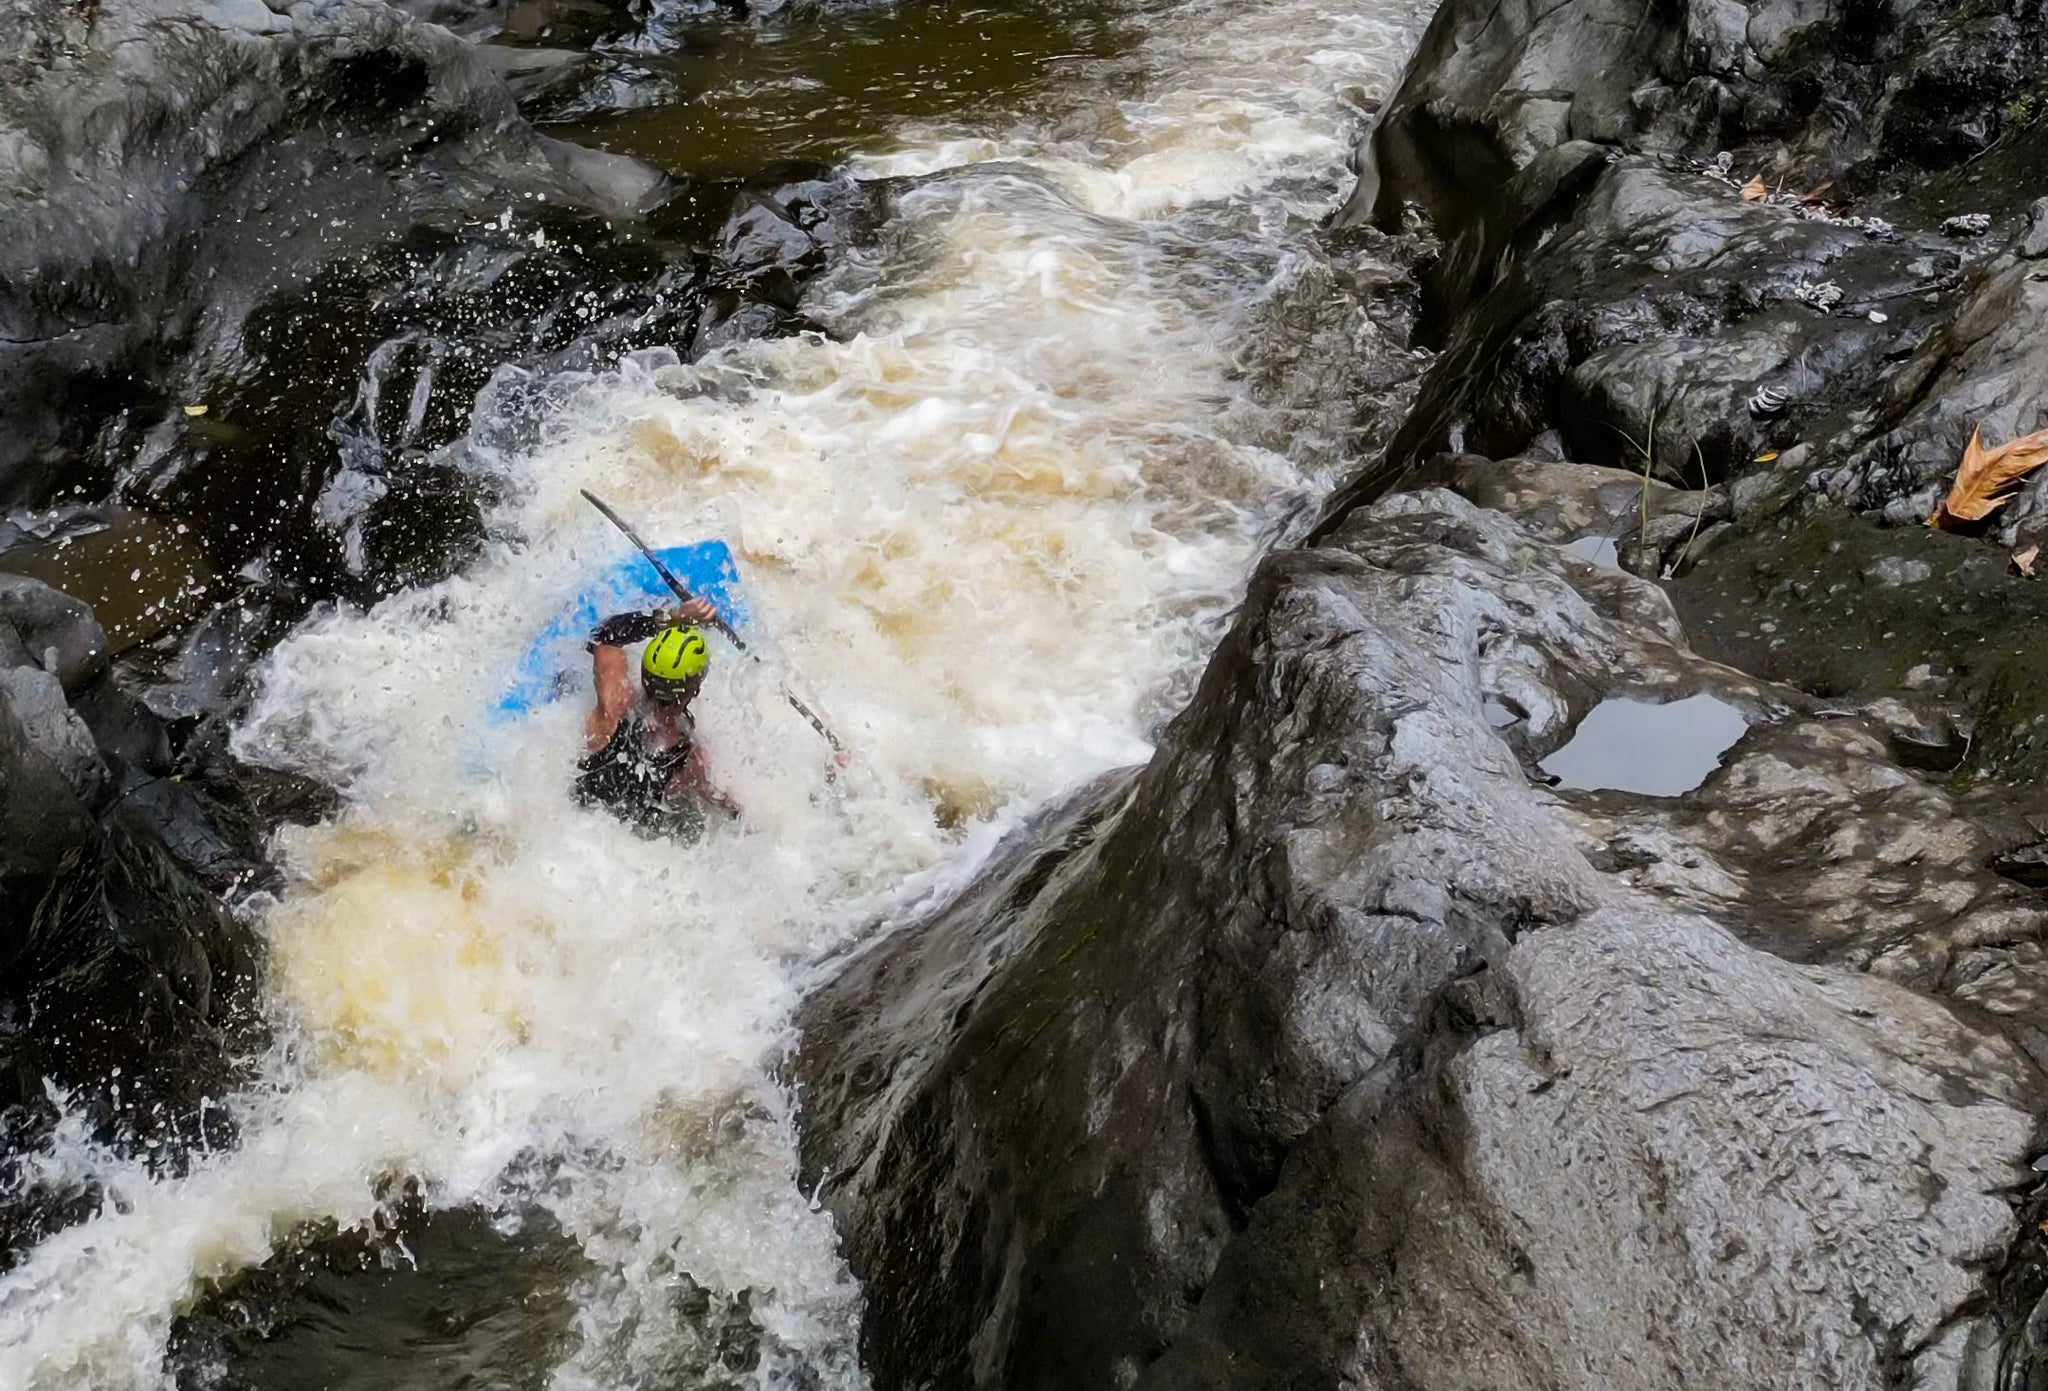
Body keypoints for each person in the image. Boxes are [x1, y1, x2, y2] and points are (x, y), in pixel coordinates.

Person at [576, 597, 740, 836]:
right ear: (695, 689)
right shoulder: (691, 761)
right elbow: (725, 807)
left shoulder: (612, 711)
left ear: (644, 675)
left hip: (579, 816)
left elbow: (605, 634)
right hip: (624, 837)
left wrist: (670, 617)